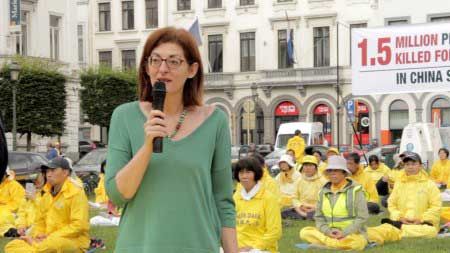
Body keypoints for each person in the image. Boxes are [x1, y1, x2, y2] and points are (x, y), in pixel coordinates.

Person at [104, 27, 237, 253]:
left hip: (198, 246)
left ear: (192, 69)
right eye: (155, 60)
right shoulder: (124, 116)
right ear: (146, 67)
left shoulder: (215, 121)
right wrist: (147, 146)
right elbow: (118, 195)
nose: (162, 69)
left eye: (174, 61)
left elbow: (222, 200)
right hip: (139, 247)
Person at [5, 157, 90, 253]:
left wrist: (49, 237)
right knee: (12, 245)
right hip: (46, 238)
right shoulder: (47, 194)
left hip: (72, 241)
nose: (48, 174)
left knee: (51, 245)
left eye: (53, 170)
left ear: (65, 172)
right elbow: (40, 221)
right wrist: (38, 235)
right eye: (47, 171)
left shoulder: (76, 193)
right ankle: (36, 248)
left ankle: (35, 248)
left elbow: (79, 225)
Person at [367, 152, 441, 245]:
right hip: (401, 221)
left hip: (422, 224)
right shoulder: (399, 183)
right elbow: (391, 204)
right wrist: (400, 217)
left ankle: (397, 229)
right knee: (430, 232)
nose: (410, 167)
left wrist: (421, 219)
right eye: (407, 164)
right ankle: (396, 229)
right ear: (404, 166)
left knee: (431, 231)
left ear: (420, 166)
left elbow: (436, 207)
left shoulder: (430, 185)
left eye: (413, 164)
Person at [299, 156, 369, 251]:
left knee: (357, 243)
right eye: (330, 171)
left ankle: (326, 244)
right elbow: (319, 217)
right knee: (304, 232)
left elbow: (362, 217)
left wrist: (344, 232)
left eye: (336, 170)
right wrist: (327, 231)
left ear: (344, 173)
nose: (332, 174)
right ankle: (336, 245)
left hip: (351, 233)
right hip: (329, 232)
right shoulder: (322, 192)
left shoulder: (356, 190)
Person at [233, 157, 282, 253]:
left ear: (256, 174)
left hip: (261, 249)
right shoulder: (235, 198)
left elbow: (275, 232)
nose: (244, 176)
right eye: (241, 173)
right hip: (237, 247)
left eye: (248, 172)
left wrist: (254, 247)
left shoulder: (268, 198)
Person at [283, 155, 327, 220]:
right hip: (301, 207)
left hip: (316, 208)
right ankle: (306, 215)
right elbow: (294, 197)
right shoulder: (299, 180)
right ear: (302, 167)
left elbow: (327, 200)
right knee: (284, 213)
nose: (307, 168)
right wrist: (300, 206)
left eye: (310, 166)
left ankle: (306, 216)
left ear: (316, 167)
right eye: (305, 165)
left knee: (323, 213)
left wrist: (315, 207)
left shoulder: (323, 181)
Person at [14, 166, 47, 237]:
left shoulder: (49, 192)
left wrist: (35, 199)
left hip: (40, 228)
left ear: (44, 176)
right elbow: (21, 212)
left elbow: (48, 210)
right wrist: (21, 226)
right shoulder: (29, 192)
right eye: (32, 180)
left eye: (37, 178)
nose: (35, 181)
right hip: (27, 227)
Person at [0, 168, 25, 237]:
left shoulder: (14, 185)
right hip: (5, 210)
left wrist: (3, 207)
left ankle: (10, 231)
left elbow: (18, 203)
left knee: (2, 215)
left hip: (12, 212)